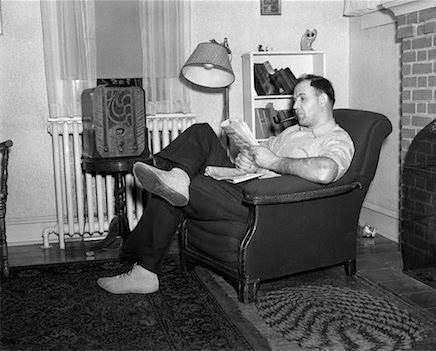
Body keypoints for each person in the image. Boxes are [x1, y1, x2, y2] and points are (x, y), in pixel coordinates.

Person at [97, 74, 355, 294]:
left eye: (302, 98)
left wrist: (274, 162)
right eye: (294, 98)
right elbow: (263, 161)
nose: (294, 105)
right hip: (244, 184)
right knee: (201, 133)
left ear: (323, 100)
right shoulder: (291, 132)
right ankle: (177, 177)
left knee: (178, 186)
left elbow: (325, 171)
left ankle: (144, 270)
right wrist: (249, 162)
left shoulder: (337, 138)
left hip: (261, 204)